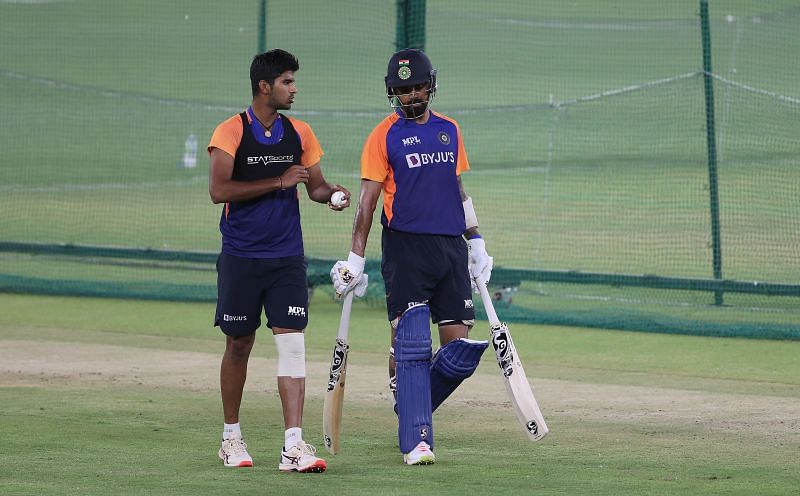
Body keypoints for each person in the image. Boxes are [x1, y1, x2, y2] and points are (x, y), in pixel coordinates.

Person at [330, 48, 493, 465]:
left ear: (431, 86)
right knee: (411, 338)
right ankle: (417, 433)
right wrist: (355, 259)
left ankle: (410, 407)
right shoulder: (382, 136)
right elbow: (366, 204)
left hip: (451, 248)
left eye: (419, 87)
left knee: (458, 352)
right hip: (405, 247)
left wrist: (475, 240)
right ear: (393, 92)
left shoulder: (449, 130)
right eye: (404, 89)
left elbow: (456, 187)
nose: (413, 95)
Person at [208, 49, 351, 473]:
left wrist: (332, 196)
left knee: (293, 346)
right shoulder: (231, 131)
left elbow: (315, 186)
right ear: (264, 86)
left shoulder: (300, 133)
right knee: (239, 344)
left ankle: (293, 446)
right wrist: (278, 181)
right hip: (241, 256)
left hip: (287, 257)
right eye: (287, 81)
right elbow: (219, 190)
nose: (294, 88)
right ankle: (231, 437)